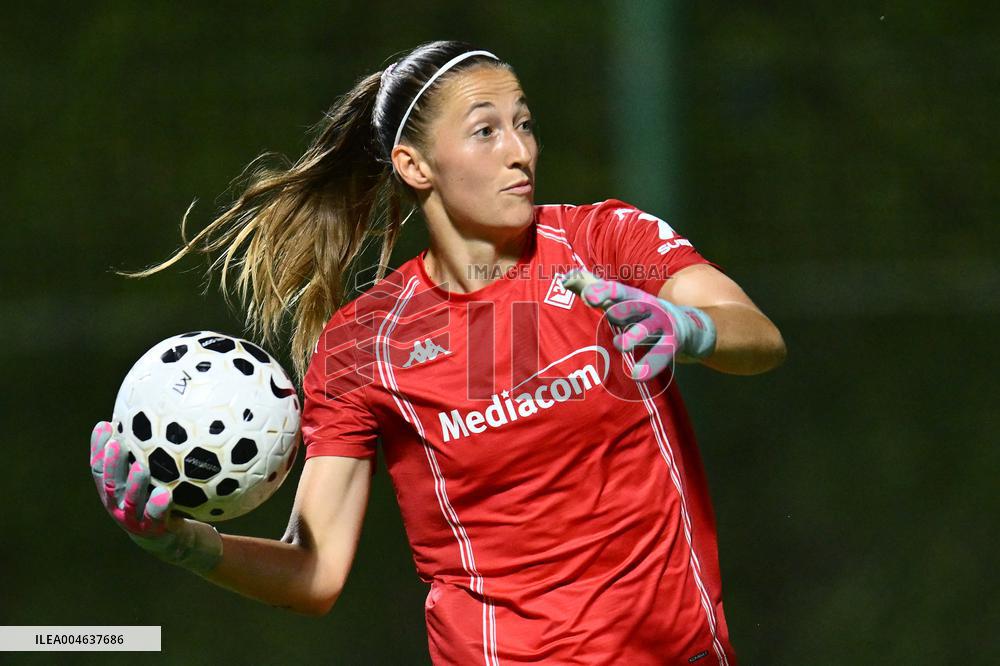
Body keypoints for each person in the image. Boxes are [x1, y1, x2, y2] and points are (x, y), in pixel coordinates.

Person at [90, 40, 786, 665]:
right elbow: (314, 572)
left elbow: (757, 336)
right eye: (486, 130)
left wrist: (691, 328)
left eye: (524, 123)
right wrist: (180, 543)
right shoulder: (364, 345)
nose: (520, 151)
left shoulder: (603, 243)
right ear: (414, 165)